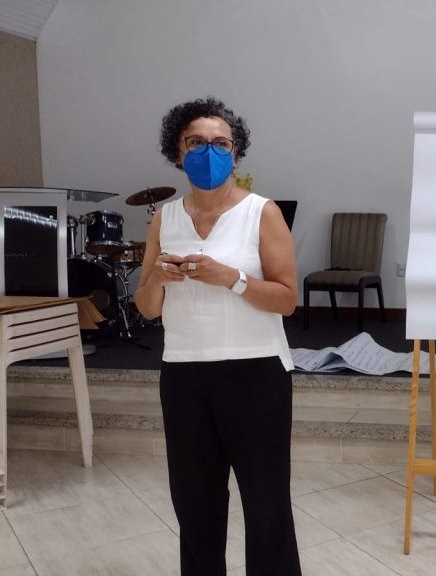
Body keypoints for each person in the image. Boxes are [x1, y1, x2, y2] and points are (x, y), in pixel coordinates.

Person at [135, 97, 301, 575]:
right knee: (195, 506)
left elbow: (287, 299)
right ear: (177, 152)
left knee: (267, 505)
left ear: (236, 152)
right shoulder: (164, 218)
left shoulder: (261, 212)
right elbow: (147, 308)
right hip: (184, 374)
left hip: (256, 372)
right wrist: (157, 279)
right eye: (196, 143)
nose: (209, 152)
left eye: (221, 143)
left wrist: (232, 278)